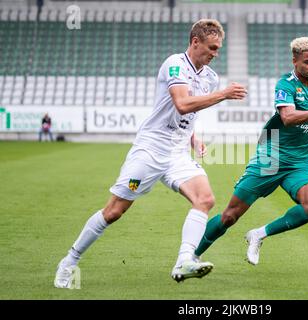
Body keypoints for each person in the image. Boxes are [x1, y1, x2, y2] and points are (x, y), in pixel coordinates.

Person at [54, 19, 247, 289]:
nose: (215, 54)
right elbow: (181, 104)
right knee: (114, 212)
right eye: (211, 48)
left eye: (218, 49)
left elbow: (186, 115)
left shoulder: (210, 77)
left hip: (177, 152)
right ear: (195, 42)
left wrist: (193, 138)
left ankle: (184, 260)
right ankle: (69, 261)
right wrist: (224, 95)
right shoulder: (175, 64)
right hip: (151, 149)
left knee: (205, 199)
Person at [194, 37, 308, 266]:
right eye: (307, 62)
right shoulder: (286, 84)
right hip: (271, 154)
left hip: (300, 162)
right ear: (295, 61)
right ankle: (193, 255)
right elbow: (288, 117)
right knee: (230, 215)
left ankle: (259, 234)